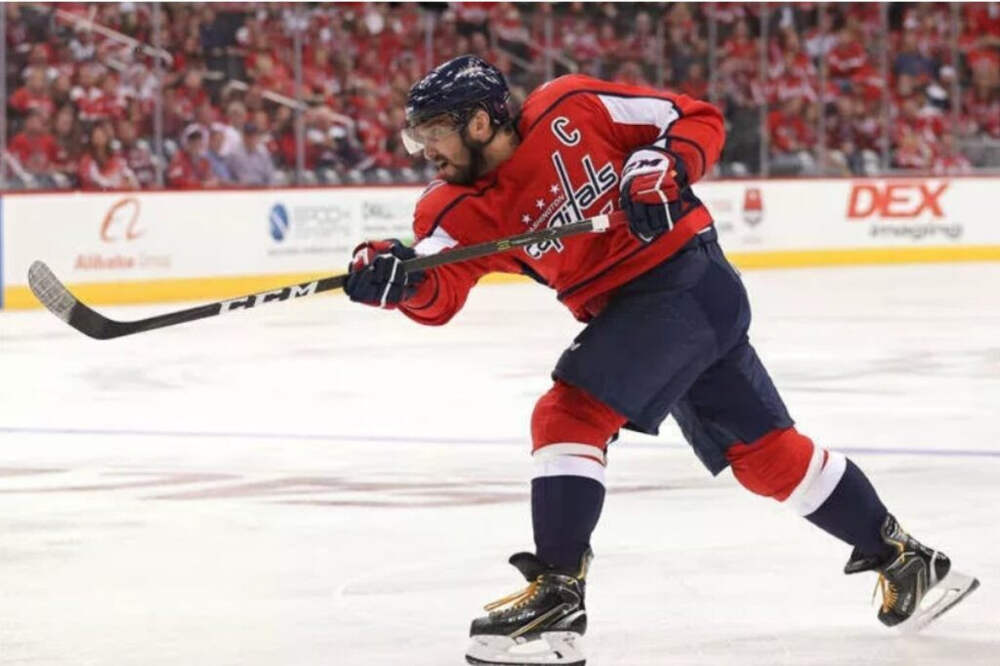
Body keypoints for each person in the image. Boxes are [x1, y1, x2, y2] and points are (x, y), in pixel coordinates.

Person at [343, 56, 979, 666]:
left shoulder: (572, 105)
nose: (424, 149)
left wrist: (663, 162)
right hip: (649, 315)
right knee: (766, 457)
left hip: (687, 279)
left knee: (569, 415)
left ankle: (557, 599)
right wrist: (398, 279)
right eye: (417, 135)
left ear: (480, 122)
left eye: (434, 131)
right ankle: (906, 560)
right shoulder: (450, 209)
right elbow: (438, 286)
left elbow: (693, 117)